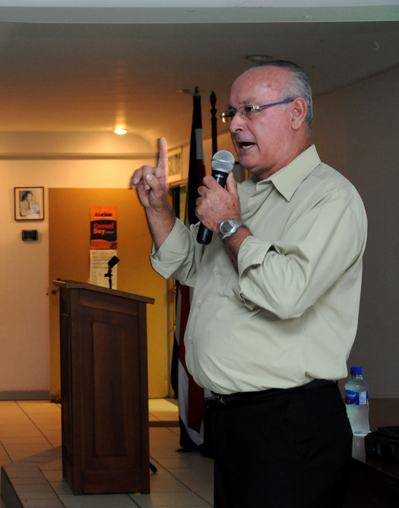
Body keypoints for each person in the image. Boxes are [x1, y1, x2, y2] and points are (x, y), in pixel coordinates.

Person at [130, 60, 367, 508]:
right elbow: (194, 269)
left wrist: (230, 224)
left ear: (296, 113)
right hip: (236, 422)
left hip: (289, 425)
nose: (235, 125)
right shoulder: (245, 191)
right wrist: (159, 208)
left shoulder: (330, 198)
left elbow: (287, 292)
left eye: (250, 109)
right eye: (231, 114)